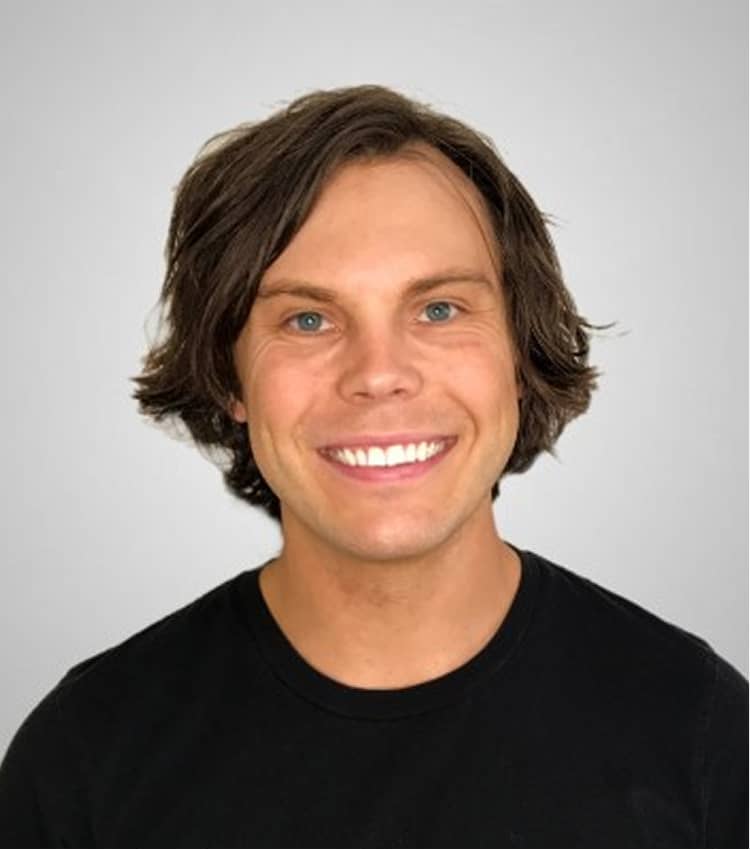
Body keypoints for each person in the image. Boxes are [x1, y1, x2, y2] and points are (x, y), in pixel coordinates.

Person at [0, 83, 746, 847]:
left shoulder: (702, 733)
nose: (378, 373)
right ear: (229, 377)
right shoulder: (85, 760)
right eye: (309, 319)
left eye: (439, 309)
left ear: (519, 353)